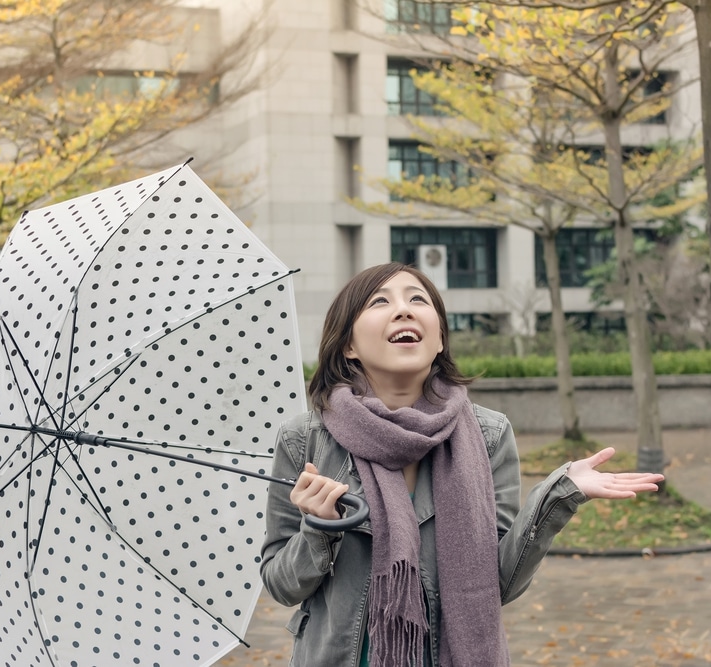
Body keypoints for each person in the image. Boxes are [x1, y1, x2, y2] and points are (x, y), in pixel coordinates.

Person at [260, 262, 664, 667]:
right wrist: (318, 527)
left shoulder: (489, 435)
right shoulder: (305, 439)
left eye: (418, 299)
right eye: (380, 301)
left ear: (438, 339)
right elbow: (281, 584)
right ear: (348, 345)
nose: (403, 309)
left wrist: (558, 494)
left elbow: (498, 584)